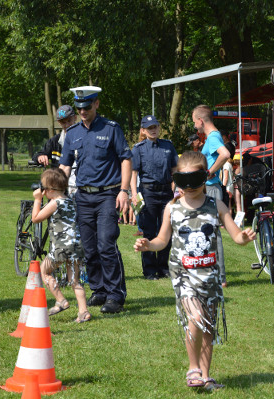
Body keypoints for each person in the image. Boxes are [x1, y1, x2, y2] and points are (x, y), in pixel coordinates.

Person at [134, 151, 255, 391]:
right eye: (184, 183)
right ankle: (193, 369)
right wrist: (149, 245)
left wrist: (243, 237)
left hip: (209, 273)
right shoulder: (172, 208)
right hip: (183, 274)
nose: (190, 189)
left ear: (205, 177)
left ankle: (206, 376)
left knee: (208, 327)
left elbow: (235, 236)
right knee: (196, 318)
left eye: (195, 182)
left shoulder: (216, 205)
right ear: (177, 180)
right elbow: (162, 239)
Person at [59, 86, 132, 314]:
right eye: (79, 107)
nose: (82, 111)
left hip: (108, 194)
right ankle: (98, 290)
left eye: (87, 107)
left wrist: (124, 191)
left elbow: (126, 159)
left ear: (96, 104)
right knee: (89, 248)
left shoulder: (111, 129)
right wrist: (55, 189)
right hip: (83, 196)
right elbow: (64, 166)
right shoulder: (72, 134)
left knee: (106, 244)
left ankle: (115, 295)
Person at [31, 168, 90, 322]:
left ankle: (61, 300)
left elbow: (36, 218)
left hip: (61, 248)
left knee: (44, 271)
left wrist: (37, 200)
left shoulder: (55, 203)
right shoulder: (70, 201)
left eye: (44, 189)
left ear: (50, 189)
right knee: (75, 280)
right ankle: (83, 312)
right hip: (76, 246)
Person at [131, 115, 178, 280]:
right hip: (148, 193)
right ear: (143, 130)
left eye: (155, 127)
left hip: (166, 192)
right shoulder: (138, 148)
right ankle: (150, 270)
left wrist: (177, 190)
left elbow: (175, 170)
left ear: (159, 128)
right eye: (149, 128)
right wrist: (134, 194)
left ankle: (163, 267)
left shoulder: (168, 146)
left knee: (167, 230)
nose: (153, 130)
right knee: (149, 231)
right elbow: (133, 173)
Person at [192, 105, 230, 286]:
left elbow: (225, 154)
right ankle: (211, 272)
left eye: (194, 122)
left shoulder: (213, 137)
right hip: (209, 189)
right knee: (206, 232)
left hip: (212, 189)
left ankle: (220, 278)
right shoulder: (211, 137)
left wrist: (210, 172)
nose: (194, 127)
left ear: (201, 120)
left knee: (213, 233)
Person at [32, 104, 79, 195]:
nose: (67, 125)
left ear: (75, 118)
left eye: (69, 120)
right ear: (59, 122)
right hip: (60, 188)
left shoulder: (84, 137)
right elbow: (37, 155)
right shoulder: (54, 141)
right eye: (63, 122)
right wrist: (40, 157)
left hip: (81, 187)